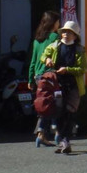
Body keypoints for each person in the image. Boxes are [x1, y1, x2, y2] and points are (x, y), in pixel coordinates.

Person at [41, 20, 87, 154]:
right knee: (59, 113)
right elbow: (44, 55)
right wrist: (47, 59)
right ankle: (63, 141)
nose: (66, 34)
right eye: (64, 32)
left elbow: (83, 68)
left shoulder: (79, 49)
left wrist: (67, 69)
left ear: (75, 36)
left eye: (69, 32)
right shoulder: (55, 46)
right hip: (57, 85)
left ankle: (65, 140)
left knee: (69, 112)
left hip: (73, 86)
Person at [28, 11, 61, 147]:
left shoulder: (37, 39)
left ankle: (41, 134)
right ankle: (57, 132)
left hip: (38, 76)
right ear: (53, 23)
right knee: (55, 104)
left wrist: (30, 80)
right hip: (50, 75)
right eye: (58, 21)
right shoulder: (55, 37)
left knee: (43, 104)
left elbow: (33, 61)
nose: (59, 24)